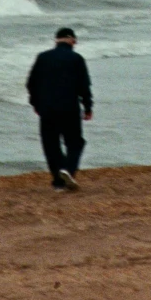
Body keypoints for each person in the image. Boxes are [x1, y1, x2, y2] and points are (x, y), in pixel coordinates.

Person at [25, 27, 93, 191]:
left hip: (47, 108)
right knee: (75, 142)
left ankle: (58, 182)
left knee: (50, 144)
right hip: (69, 107)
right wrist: (88, 106)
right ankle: (67, 170)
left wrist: (36, 104)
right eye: (75, 41)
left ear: (56, 40)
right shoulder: (76, 59)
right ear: (71, 40)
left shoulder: (42, 57)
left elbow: (31, 83)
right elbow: (84, 85)